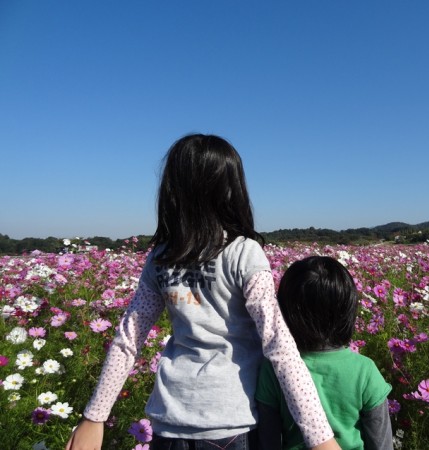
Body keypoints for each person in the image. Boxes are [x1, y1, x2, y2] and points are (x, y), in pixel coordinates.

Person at [65, 134, 340, 450]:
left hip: (168, 425)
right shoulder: (243, 254)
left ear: (173, 189)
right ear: (230, 189)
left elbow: (128, 340)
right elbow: (278, 344)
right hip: (229, 424)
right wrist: (320, 437)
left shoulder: (162, 257)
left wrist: (94, 417)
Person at [255, 256, 393, 450]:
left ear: (285, 312)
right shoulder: (365, 370)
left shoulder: (273, 368)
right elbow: (381, 444)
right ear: (348, 308)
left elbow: (268, 441)